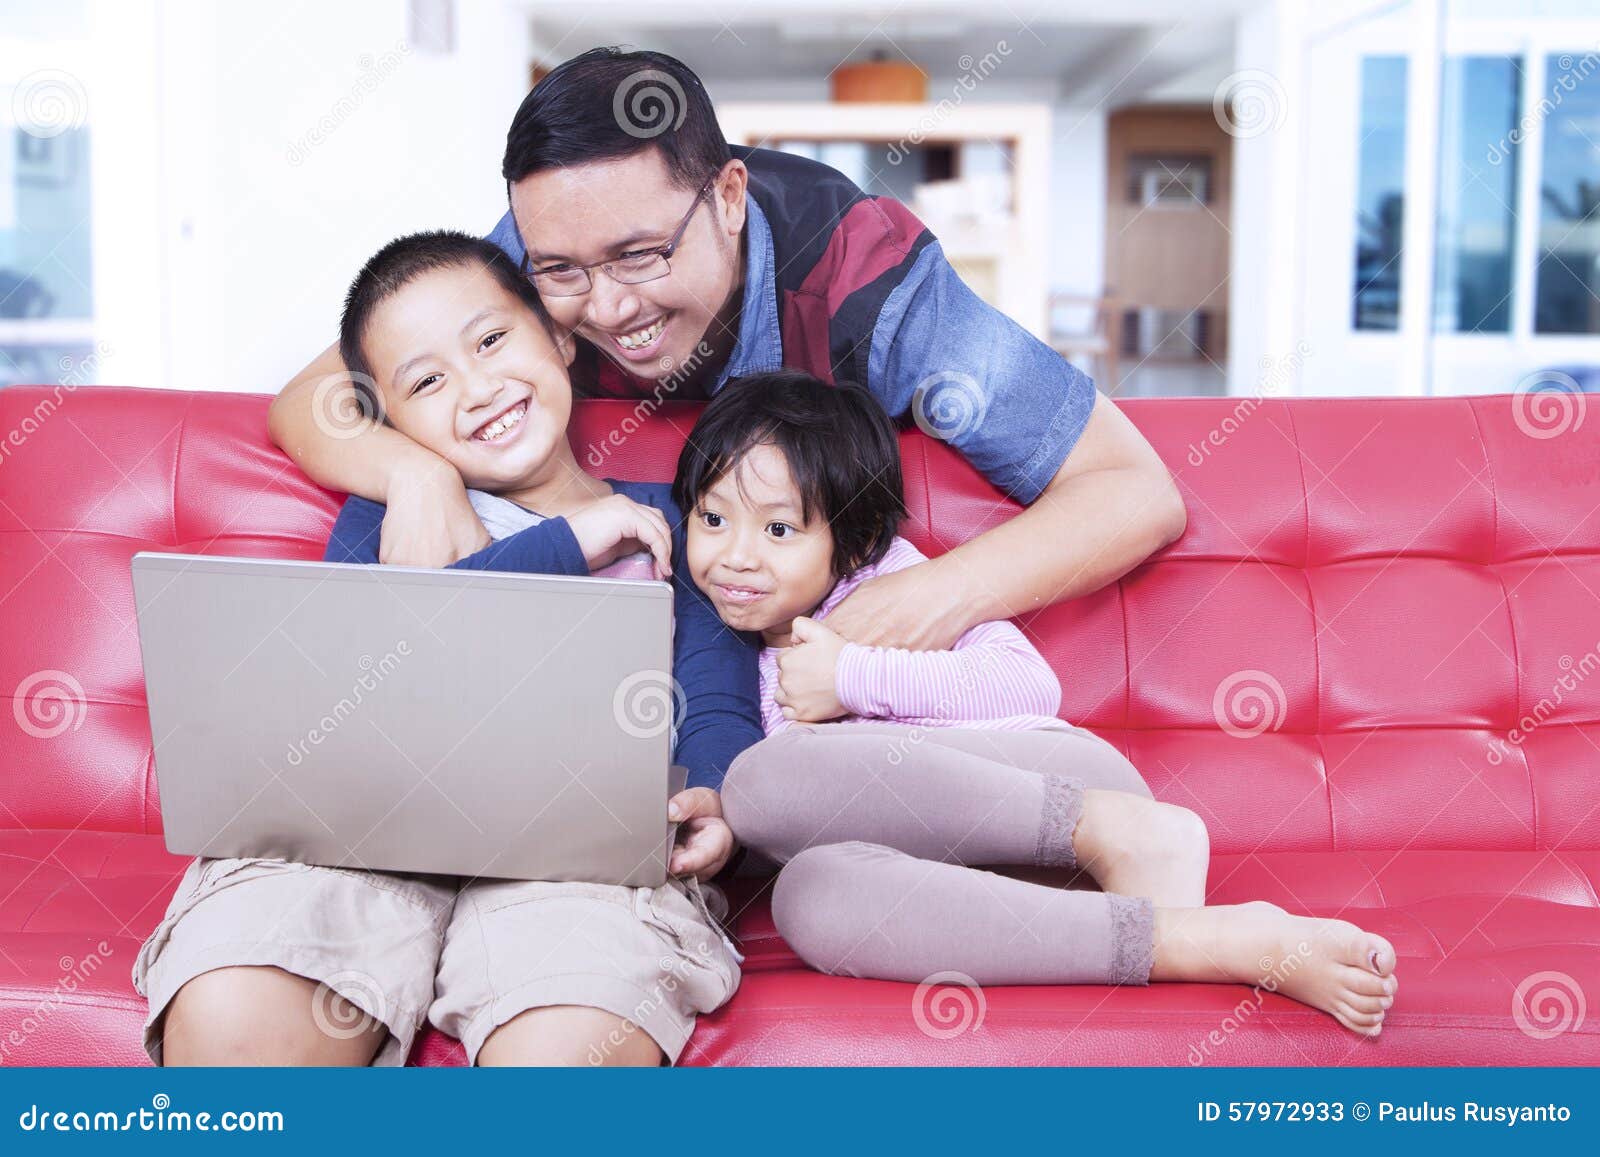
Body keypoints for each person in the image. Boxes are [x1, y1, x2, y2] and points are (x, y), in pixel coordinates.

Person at [265, 47, 1186, 655]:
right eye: (562, 272)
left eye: (642, 254)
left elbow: (1132, 489)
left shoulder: (866, 278)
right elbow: (317, 394)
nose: (610, 306)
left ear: (731, 196)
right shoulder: (544, 254)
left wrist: (934, 599)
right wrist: (416, 478)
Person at [132, 232, 761, 1067]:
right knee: (236, 1011)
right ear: (389, 423)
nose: (477, 388)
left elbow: (716, 695)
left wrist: (716, 796)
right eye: (427, 381)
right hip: (364, 839)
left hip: (589, 864)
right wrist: (569, 542)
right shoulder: (393, 515)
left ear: (560, 340)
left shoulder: (677, 522)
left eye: (492, 340)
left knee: (568, 1044)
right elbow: (385, 662)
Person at [677, 372, 1399, 1036]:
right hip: (1000, 884)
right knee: (808, 895)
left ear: (857, 540)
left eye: (778, 529)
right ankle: (1198, 940)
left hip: (1072, 792)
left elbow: (1026, 685)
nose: (735, 555)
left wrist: (855, 676)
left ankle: (1113, 835)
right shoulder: (724, 652)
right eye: (711, 519)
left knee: (760, 782)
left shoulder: (886, 585)